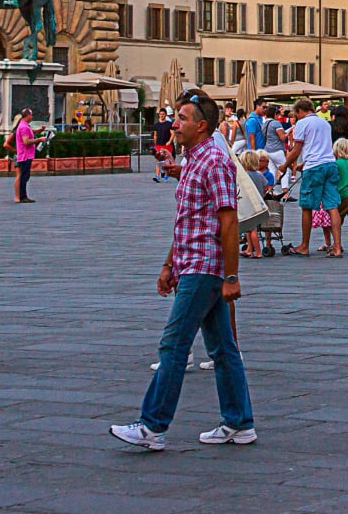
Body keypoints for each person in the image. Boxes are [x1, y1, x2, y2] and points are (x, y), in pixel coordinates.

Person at [109, 91, 255, 450]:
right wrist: (168, 263)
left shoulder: (215, 162)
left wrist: (232, 276)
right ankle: (239, 422)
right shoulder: (195, 160)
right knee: (223, 348)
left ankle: (151, 426)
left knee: (173, 345)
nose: (175, 123)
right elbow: (189, 220)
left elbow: (229, 220)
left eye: (183, 118)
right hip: (193, 262)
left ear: (202, 126)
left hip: (204, 268)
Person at [288, 97, 336, 256]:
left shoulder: (302, 123)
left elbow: (296, 149)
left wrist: (285, 164)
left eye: (297, 114)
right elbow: (321, 146)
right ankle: (337, 246)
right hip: (329, 164)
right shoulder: (325, 123)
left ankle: (304, 245)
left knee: (307, 206)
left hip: (314, 167)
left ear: (301, 111)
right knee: (331, 206)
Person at [12, 108, 38, 203]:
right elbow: (26, 141)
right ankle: (22, 196)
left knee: (24, 175)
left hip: (25, 154)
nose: (32, 116)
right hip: (25, 155)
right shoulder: (24, 127)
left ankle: (22, 195)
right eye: (31, 115)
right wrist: (39, 140)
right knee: (24, 176)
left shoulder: (24, 126)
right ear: (27, 115)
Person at [153, 113, 177, 182]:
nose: (161, 115)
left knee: (166, 161)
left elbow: (173, 133)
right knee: (158, 160)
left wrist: (169, 141)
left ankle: (166, 175)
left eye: (163, 114)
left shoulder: (169, 124)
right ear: (159, 115)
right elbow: (155, 135)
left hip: (166, 145)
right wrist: (155, 143)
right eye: (160, 114)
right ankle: (157, 176)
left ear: (165, 115)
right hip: (158, 145)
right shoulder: (156, 125)